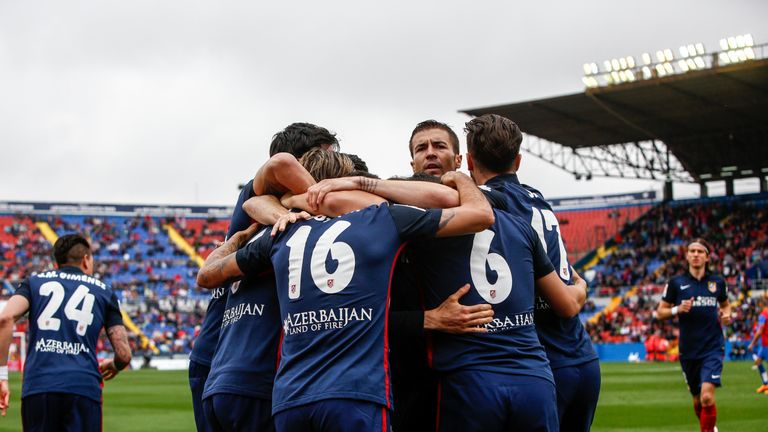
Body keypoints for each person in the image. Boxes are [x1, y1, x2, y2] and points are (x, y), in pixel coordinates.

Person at [197, 150, 495, 431]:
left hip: (290, 399)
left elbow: (208, 275)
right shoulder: (379, 218)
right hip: (356, 394)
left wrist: (241, 236)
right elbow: (480, 214)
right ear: (339, 182)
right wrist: (461, 179)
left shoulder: (282, 231)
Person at [188, 122, 337, 431]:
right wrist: (329, 207)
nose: (331, 169)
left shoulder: (266, 209)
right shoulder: (262, 198)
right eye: (325, 157)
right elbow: (279, 164)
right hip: (236, 358)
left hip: (224, 356)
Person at [463, 114, 601, 432]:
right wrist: (580, 289)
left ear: (469, 161)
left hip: (545, 364)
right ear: (519, 160)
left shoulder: (491, 203)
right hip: (582, 355)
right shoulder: (538, 199)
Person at [0, 234, 131, 430]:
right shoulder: (104, 291)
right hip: (83, 386)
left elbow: (5, 318)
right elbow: (124, 354)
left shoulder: (33, 283)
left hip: (39, 385)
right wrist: (115, 365)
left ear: (57, 261)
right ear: (86, 259)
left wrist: (2, 376)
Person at [656, 238, 731, 432]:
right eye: (692, 251)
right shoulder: (676, 283)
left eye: (700, 251)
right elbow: (659, 312)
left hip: (713, 347)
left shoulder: (717, 283)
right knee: (698, 400)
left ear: (707, 257)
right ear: (687, 256)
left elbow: (725, 305)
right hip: (688, 350)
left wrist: (727, 315)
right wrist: (677, 309)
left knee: (707, 397)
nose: (696, 254)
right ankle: (709, 427)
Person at [747, 295, 768, 393]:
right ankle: (766, 384)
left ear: (761, 304)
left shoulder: (763, 315)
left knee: (758, 361)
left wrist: (752, 343)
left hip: (766, 344)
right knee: (758, 361)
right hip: (764, 345)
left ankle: (766, 384)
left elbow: (760, 331)